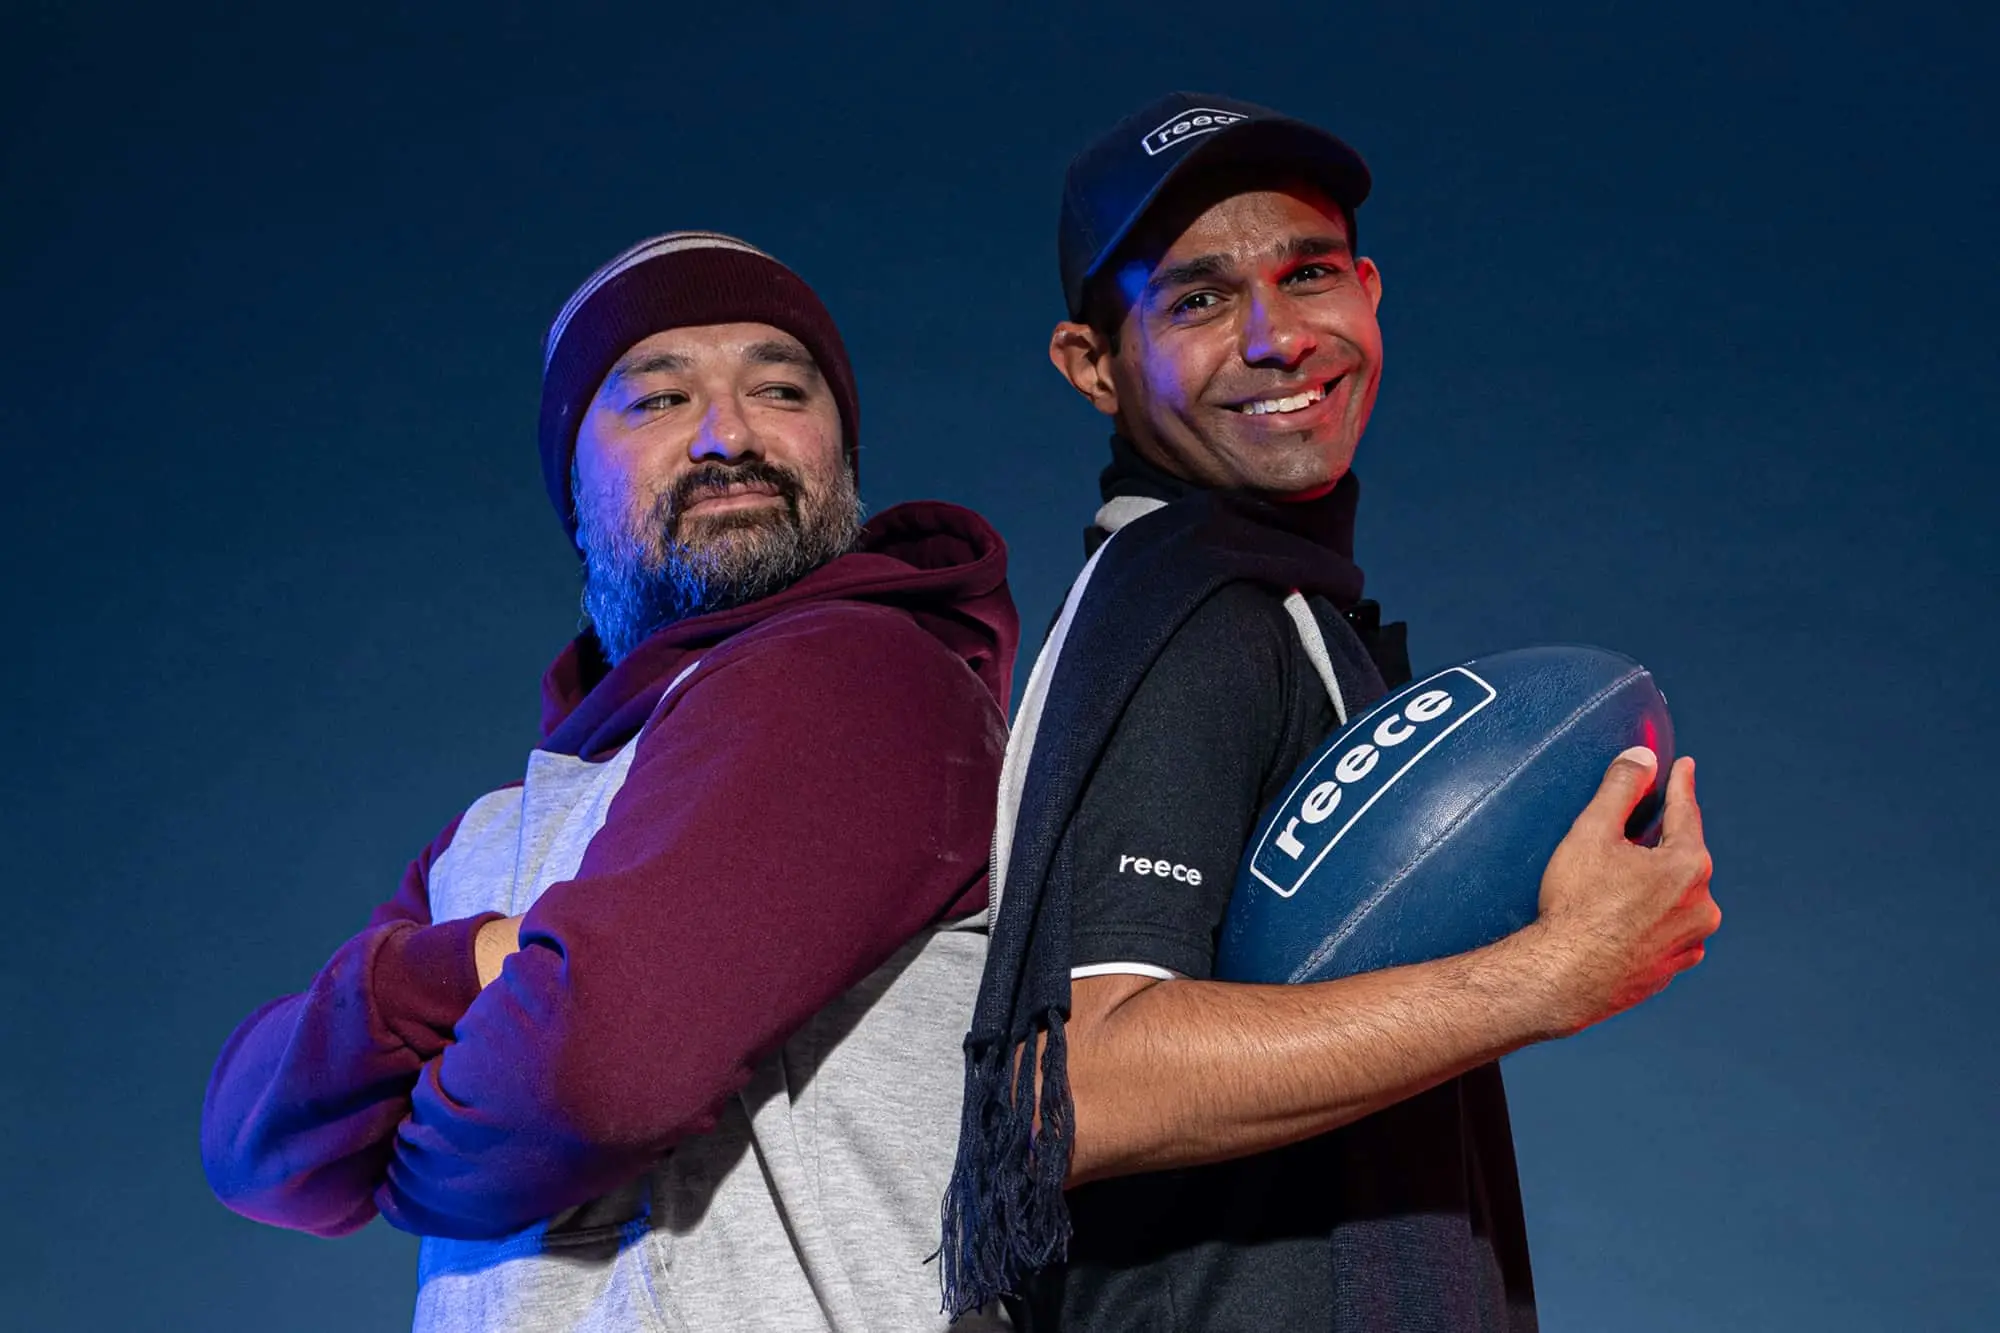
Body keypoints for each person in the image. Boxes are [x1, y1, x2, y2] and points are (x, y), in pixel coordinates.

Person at [941, 95, 1721, 1331]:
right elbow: (1080, 1086)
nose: (1276, 338)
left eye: (1305, 274)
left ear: (1367, 291)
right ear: (1091, 365)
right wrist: (1548, 974)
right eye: (1197, 300)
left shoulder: (1277, 601)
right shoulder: (1187, 612)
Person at [201, 231, 1018, 1332]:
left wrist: (404, 1158)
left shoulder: (864, 673)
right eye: (660, 400)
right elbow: (255, 1145)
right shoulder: (492, 835)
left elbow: (594, 1077)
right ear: (574, 496)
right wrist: (466, 965)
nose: (730, 435)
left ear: (843, 453)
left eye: (780, 389)